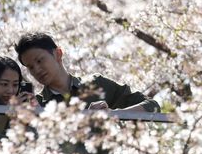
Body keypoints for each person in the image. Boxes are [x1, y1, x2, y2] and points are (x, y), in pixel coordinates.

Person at [14, 32, 160, 112]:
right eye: (31, 67)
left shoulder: (96, 84)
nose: (37, 70)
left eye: (40, 61)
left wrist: (113, 115)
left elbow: (152, 106)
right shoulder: (38, 104)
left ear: (58, 54)